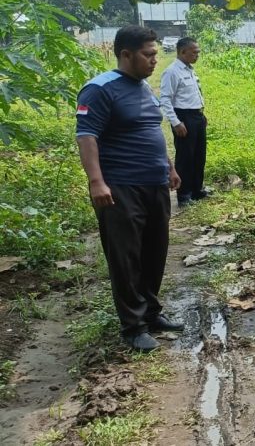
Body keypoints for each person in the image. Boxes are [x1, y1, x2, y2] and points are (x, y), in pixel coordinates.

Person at [76, 25, 185, 352]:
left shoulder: (143, 88)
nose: (155, 60)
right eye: (148, 54)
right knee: (126, 258)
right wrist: (97, 181)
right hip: (120, 187)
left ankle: (151, 313)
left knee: (155, 251)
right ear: (126, 54)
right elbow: (86, 137)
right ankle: (133, 327)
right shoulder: (99, 89)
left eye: (156, 54)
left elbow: (149, 129)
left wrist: (168, 165)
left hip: (154, 185)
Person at [159, 37, 209, 208]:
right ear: (182, 52)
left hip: (196, 116)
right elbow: (165, 99)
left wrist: (201, 114)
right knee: (185, 157)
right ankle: (184, 194)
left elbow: (194, 94)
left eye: (198, 52)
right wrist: (175, 122)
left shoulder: (190, 70)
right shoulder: (172, 72)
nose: (197, 55)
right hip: (183, 117)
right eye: (194, 52)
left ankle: (197, 189)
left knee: (199, 155)